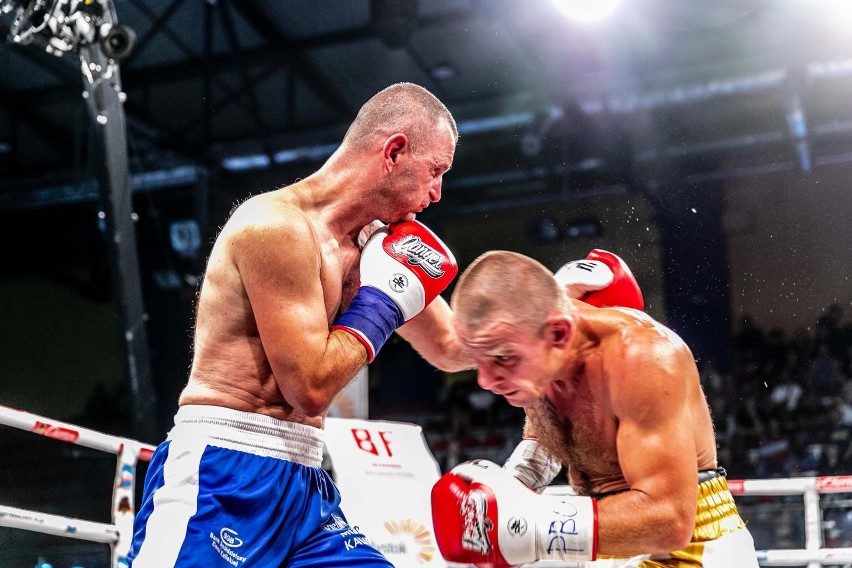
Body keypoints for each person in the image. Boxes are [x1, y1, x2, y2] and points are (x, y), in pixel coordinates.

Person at [127, 82, 472, 567]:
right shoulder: (277, 227)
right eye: (436, 171)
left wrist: (549, 326)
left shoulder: (379, 248)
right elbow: (308, 387)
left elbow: (449, 344)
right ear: (394, 151)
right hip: (224, 471)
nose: (437, 193)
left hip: (306, 482)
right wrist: (378, 306)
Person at [431, 250, 759, 567]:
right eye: (480, 362)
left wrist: (529, 524)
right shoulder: (535, 356)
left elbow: (670, 519)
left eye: (502, 358)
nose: (486, 381)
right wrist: (500, 505)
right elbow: (547, 441)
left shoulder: (644, 356)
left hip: (690, 547)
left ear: (559, 334)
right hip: (605, 541)